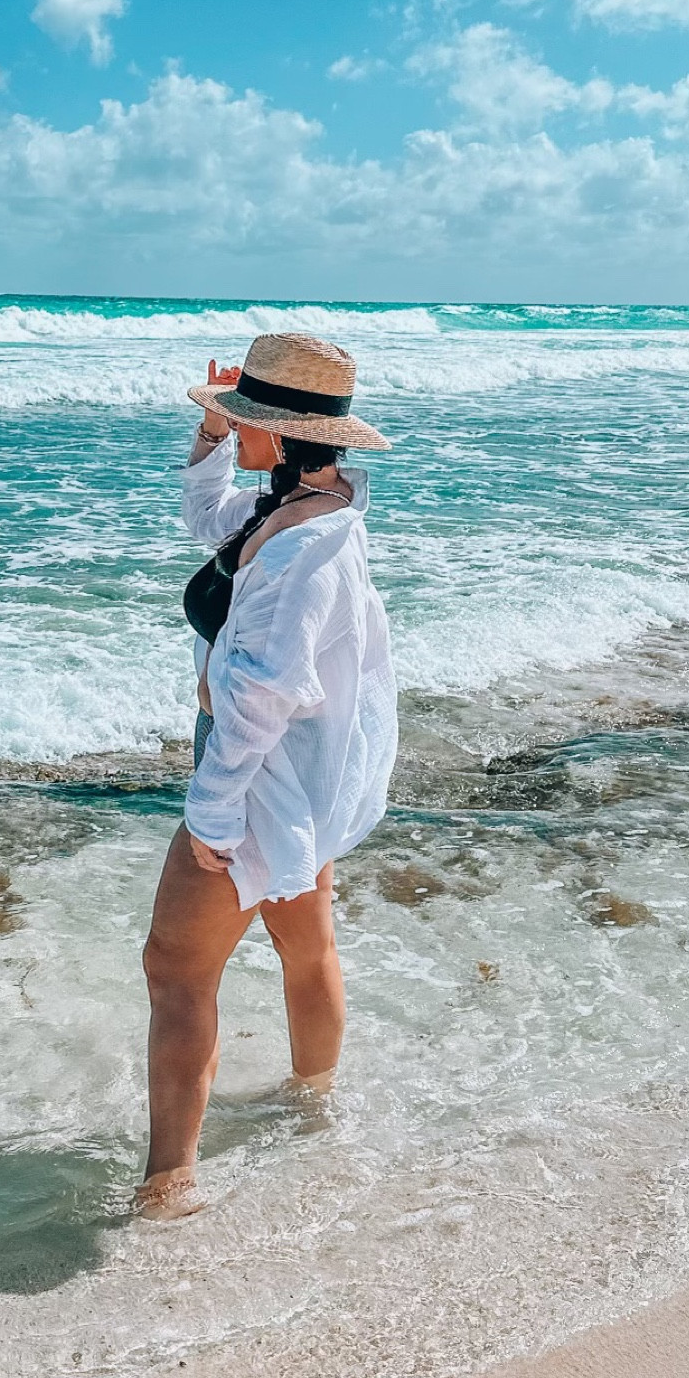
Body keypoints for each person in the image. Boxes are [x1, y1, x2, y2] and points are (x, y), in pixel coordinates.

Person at [138, 332, 398, 1217]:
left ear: (285, 438)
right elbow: (207, 519)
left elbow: (262, 693)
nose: (238, 430)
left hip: (256, 781)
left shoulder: (302, 551)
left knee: (174, 969)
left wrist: (213, 814)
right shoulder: (296, 511)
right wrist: (214, 436)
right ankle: (315, 1108)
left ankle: (169, 1183)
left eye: (250, 421)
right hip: (295, 779)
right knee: (304, 946)